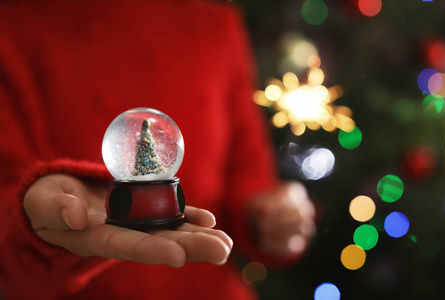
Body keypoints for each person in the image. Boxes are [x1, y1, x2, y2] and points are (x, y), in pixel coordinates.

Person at [0, 0, 316, 299]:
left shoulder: (217, 28)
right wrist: (35, 228)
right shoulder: (13, 29)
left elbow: (250, 177)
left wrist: (271, 215)